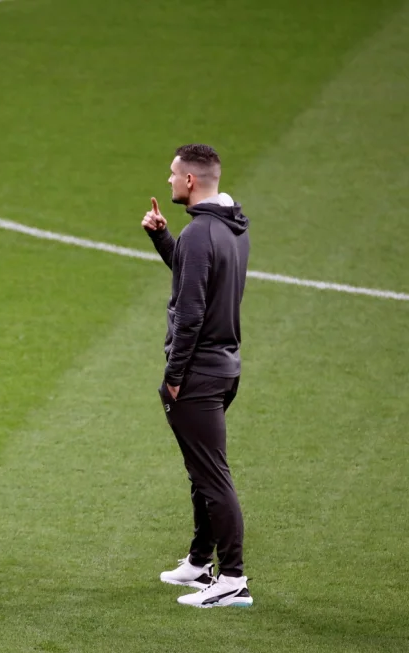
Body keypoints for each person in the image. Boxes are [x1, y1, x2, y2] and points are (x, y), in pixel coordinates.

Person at [141, 144, 253, 608]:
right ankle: (199, 560)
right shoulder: (231, 228)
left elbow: (190, 311)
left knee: (212, 475)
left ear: (190, 181)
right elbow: (196, 277)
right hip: (225, 367)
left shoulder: (200, 234)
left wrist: (173, 375)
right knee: (202, 470)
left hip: (198, 374)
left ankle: (232, 579)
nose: (168, 181)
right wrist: (164, 239)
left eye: (172, 175)